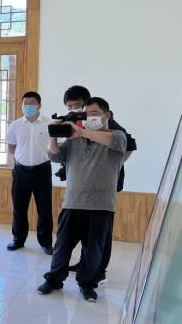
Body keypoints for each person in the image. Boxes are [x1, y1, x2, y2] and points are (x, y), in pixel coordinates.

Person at [38, 97, 127, 302]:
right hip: (72, 203)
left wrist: (81, 131)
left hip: (101, 206)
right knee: (62, 248)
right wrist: (53, 136)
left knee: (93, 252)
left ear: (107, 115)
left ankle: (87, 284)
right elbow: (55, 157)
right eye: (86, 115)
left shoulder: (117, 136)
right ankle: (54, 280)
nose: (89, 118)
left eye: (94, 114)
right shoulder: (74, 140)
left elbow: (114, 142)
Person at [60, 85, 136, 282]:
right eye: (70, 106)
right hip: (80, 187)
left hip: (105, 185)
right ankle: (83, 264)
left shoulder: (107, 123)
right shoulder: (74, 120)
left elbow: (129, 145)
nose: (74, 110)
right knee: (81, 233)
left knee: (99, 235)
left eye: (78, 105)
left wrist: (114, 166)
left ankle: (98, 271)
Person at [6, 91, 53, 254]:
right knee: (19, 208)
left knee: (44, 209)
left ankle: (46, 243)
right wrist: (23, 158)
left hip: (42, 170)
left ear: (39, 105)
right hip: (21, 171)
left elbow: (56, 146)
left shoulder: (49, 124)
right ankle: (18, 239)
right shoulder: (15, 125)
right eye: (25, 104)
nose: (28, 107)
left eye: (31, 104)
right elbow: (12, 147)